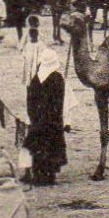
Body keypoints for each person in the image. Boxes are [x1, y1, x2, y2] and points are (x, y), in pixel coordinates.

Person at [23, 44, 66, 185]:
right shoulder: (58, 79)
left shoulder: (36, 79)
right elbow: (59, 102)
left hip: (37, 121)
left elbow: (30, 101)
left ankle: (36, 174)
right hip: (53, 121)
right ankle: (50, 175)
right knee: (52, 146)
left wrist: (34, 117)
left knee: (36, 146)